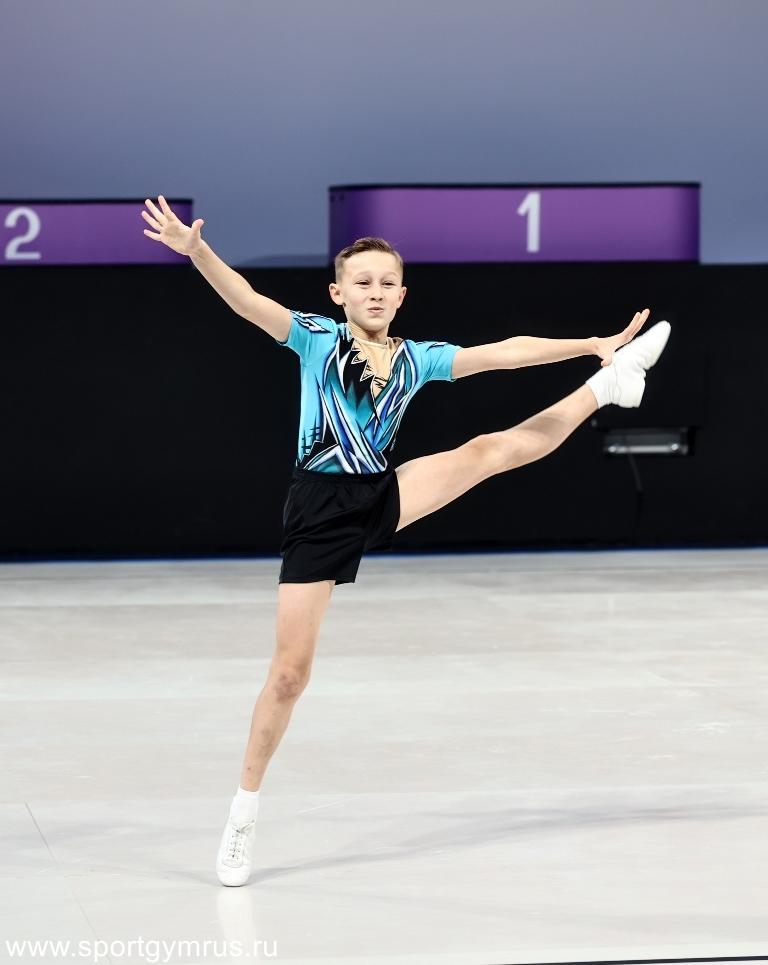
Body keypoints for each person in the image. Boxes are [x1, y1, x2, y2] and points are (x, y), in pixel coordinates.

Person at [141, 195, 671, 886]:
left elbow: (504, 353)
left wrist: (591, 346)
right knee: (290, 674)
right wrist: (198, 252)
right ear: (338, 293)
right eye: (361, 281)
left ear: (401, 295)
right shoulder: (315, 339)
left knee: (491, 449)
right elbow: (246, 300)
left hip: (380, 493)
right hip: (320, 509)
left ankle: (607, 386)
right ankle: (243, 811)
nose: (375, 291)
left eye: (387, 282)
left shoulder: (418, 359)